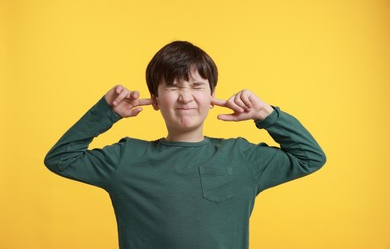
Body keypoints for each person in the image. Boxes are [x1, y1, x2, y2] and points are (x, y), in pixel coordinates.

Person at [44, 41, 326, 249]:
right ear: (155, 99)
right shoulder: (126, 158)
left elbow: (310, 157)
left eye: (196, 86)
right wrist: (105, 113)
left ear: (213, 95)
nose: (185, 97)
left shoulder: (241, 157)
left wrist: (267, 115)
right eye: (173, 87)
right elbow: (61, 159)